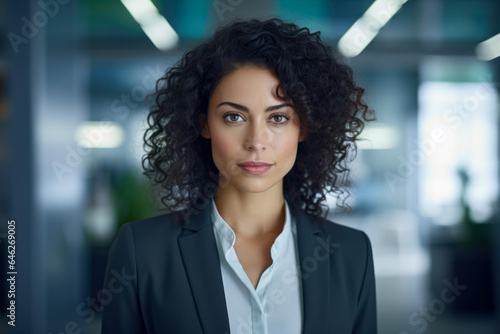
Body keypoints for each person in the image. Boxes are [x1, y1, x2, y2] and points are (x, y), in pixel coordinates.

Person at [101, 17, 377, 334]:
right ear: (203, 124)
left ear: (305, 127)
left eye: (278, 118)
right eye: (234, 117)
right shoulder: (142, 251)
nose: (256, 141)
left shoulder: (352, 253)